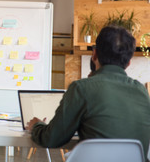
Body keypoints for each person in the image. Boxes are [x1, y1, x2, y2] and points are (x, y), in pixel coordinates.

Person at [26, 25, 150, 158]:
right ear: (129, 62)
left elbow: (51, 139)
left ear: (94, 54)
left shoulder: (81, 88)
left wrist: (36, 126)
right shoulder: (142, 92)